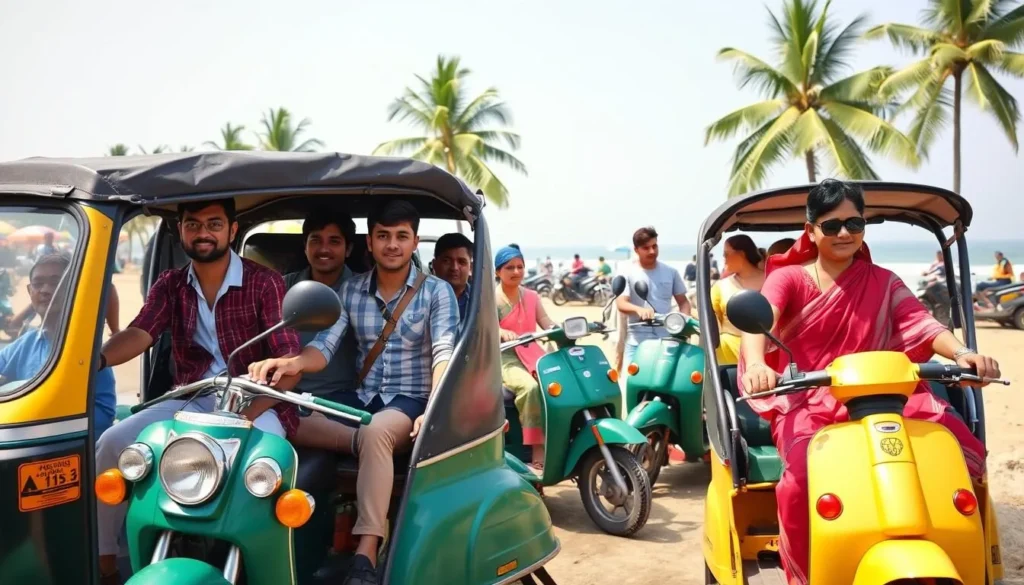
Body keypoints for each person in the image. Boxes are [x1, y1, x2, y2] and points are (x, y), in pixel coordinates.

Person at [737, 179, 998, 585]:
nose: (844, 233)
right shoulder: (789, 279)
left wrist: (964, 355)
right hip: (810, 399)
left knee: (957, 456)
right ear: (811, 231)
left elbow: (923, 325)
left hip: (891, 398)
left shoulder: (883, 280)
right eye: (831, 225)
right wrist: (756, 363)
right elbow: (762, 319)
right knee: (802, 481)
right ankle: (807, 575)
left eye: (854, 223)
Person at [247, 200, 458, 585]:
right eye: (383, 236)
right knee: (285, 416)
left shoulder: (437, 292)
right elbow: (325, 346)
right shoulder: (350, 290)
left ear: (414, 243)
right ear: (370, 243)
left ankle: (365, 554)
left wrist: (437, 406)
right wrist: (293, 363)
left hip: (409, 401)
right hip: (360, 399)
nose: (392, 245)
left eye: (401, 237)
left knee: (377, 431)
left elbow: (444, 352)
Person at [94, 199, 300, 584]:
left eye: (213, 224)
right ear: (180, 231)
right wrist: (96, 361)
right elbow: (141, 332)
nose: (203, 233)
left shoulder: (263, 282)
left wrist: (248, 413)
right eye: (193, 224)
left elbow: (288, 361)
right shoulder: (171, 284)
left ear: (232, 231)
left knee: (266, 467)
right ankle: (107, 559)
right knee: (112, 442)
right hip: (192, 396)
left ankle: (264, 566)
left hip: (256, 402)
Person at [0, 254, 116, 434]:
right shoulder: (25, 344)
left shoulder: (87, 346)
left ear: (74, 287)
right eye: (38, 284)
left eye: (56, 282)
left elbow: (103, 414)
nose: (45, 290)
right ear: (30, 292)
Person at [283, 210, 360, 396]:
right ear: (305, 246)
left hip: (344, 397)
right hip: (284, 393)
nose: (324, 249)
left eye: (334, 241)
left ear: (348, 249)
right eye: (316, 240)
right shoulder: (281, 287)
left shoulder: (362, 292)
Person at [495, 245, 555, 472]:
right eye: (510, 267)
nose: (516, 271)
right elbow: (486, 327)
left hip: (532, 354)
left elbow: (546, 321)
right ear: (497, 272)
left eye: (520, 266)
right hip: (504, 358)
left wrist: (558, 329)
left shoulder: (531, 296)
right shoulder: (490, 297)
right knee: (530, 388)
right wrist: (500, 332)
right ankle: (537, 448)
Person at [614, 226, 692, 373]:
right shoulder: (627, 271)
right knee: (632, 385)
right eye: (646, 248)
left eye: (654, 246)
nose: (652, 251)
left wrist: (683, 320)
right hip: (637, 340)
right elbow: (621, 303)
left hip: (667, 340)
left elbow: (683, 302)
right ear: (636, 250)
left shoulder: (671, 272)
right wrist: (639, 309)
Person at [710, 235, 764, 365]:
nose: (723, 259)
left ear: (741, 254)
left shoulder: (774, 281)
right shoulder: (720, 286)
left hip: (767, 352)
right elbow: (712, 322)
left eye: (726, 254)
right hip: (729, 357)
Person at [433, 232, 473, 319]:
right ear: (434, 265)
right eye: (447, 261)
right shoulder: (420, 299)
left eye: (461, 262)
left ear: (471, 267)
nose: (454, 268)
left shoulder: (479, 300)